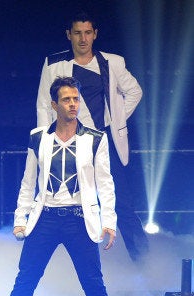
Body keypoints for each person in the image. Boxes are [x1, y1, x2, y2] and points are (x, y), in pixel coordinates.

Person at [36, 12, 149, 263]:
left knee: (123, 204)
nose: (83, 38)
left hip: (105, 141)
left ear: (95, 34)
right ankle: (65, 266)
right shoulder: (54, 64)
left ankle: (145, 264)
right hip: (69, 141)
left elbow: (135, 91)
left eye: (88, 32)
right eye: (78, 33)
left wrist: (116, 120)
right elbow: (45, 105)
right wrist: (46, 142)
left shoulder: (112, 62)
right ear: (69, 35)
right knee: (65, 202)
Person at [7, 76, 116, 296]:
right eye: (66, 100)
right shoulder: (38, 137)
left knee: (94, 284)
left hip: (80, 217)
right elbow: (28, 182)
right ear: (54, 105)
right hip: (45, 217)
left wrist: (109, 222)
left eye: (76, 99)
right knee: (25, 280)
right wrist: (20, 219)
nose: (72, 104)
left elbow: (105, 184)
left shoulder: (95, 138)